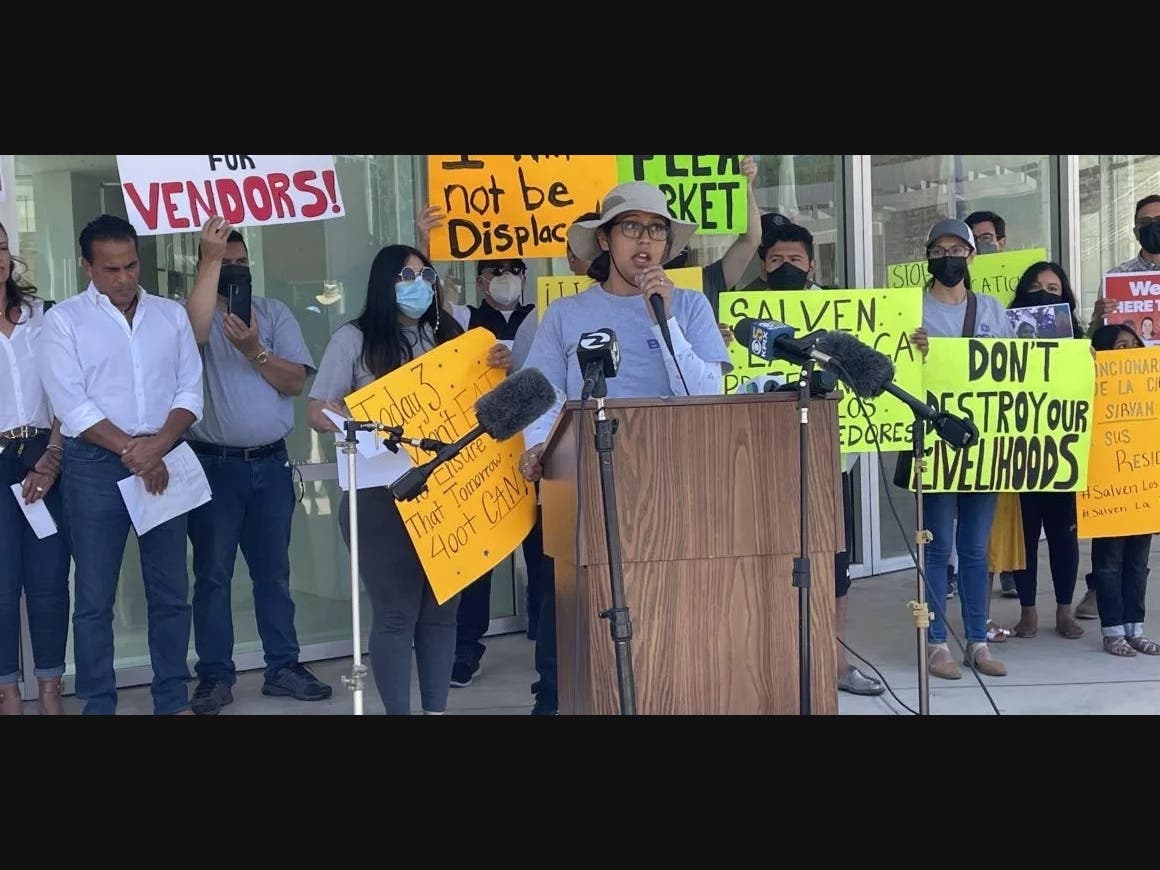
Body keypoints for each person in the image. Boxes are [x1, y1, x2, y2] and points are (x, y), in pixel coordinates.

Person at [517, 180, 732, 714]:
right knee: (571, 608)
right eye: (632, 228)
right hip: (584, 483)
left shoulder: (690, 308)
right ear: (606, 240)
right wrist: (540, 447)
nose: (645, 241)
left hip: (672, 483)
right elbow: (543, 394)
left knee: (664, 608)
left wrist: (665, 320)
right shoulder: (566, 315)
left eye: (656, 230)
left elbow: (704, 394)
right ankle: (558, 701)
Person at [307, 244, 513, 714]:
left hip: (448, 494)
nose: (418, 285)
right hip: (381, 497)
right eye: (406, 275)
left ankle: (436, 710)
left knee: (443, 614)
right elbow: (316, 411)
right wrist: (339, 417)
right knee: (397, 614)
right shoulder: (353, 340)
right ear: (384, 282)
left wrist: (500, 364)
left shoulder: (452, 337)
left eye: (426, 275)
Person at [39, 214, 203, 715]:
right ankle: (98, 705)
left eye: (131, 265)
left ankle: (171, 699)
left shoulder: (170, 315)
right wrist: (135, 451)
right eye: (111, 269)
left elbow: (190, 390)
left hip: (164, 454)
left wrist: (158, 446)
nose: (125, 277)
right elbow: (72, 404)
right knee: (94, 597)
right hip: (94, 466)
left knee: (171, 590)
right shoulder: (64, 320)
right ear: (87, 267)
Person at [182, 217, 331, 714]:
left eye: (242, 263)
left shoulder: (274, 313)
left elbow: (294, 383)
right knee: (213, 577)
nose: (236, 272)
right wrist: (209, 261)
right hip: (213, 467)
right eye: (225, 264)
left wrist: (254, 350)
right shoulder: (192, 317)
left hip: (269, 466)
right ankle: (216, 676)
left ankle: (282, 666)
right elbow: (194, 336)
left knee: (274, 574)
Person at [747, 220, 883, 695]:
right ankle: (774, 666)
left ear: (812, 265)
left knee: (834, 570)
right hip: (762, 459)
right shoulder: (743, 314)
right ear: (763, 265)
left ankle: (836, 664)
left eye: (795, 260)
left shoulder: (842, 312)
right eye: (775, 260)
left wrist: (915, 347)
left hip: (828, 463)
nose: (785, 267)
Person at [908, 218, 1012, 680]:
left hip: (981, 444)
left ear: (971, 256)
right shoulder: (910, 309)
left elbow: (1017, 369)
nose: (947, 257)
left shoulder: (991, 308)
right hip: (931, 443)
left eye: (956, 249)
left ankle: (976, 640)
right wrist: (913, 351)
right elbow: (896, 369)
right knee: (937, 547)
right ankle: (934, 644)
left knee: (973, 547)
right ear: (928, 257)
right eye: (938, 250)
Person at [0, 221, 70, 716]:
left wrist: (54, 454)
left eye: (2, 248)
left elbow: (67, 390)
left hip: (44, 454)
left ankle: (49, 688)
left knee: (48, 581)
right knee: (1, 585)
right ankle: (6, 691)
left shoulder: (43, 316)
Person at [1005, 262, 1085, 641]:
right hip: (1021, 452)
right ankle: (1028, 612)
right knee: (1025, 536)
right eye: (1036, 287)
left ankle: (1065, 611)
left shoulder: (1079, 342)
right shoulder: (1004, 337)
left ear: (1065, 299)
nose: (1044, 294)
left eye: (1053, 290)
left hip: (1062, 453)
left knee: (1063, 536)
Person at [1088, 324, 1159, 657]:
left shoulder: (1151, 391)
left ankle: (1135, 628)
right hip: (1108, 493)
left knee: (1138, 564)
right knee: (1109, 563)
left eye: (1134, 344)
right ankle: (1112, 630)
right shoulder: (1091, 387)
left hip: (1142, 490)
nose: (1129, 351)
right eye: (1120, 346)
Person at [964, 210, 1020, 606]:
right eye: (975, 239)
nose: (983, 244)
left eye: (988, 238)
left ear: (1001, 241)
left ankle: (1011, 571)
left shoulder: (1019, 284)